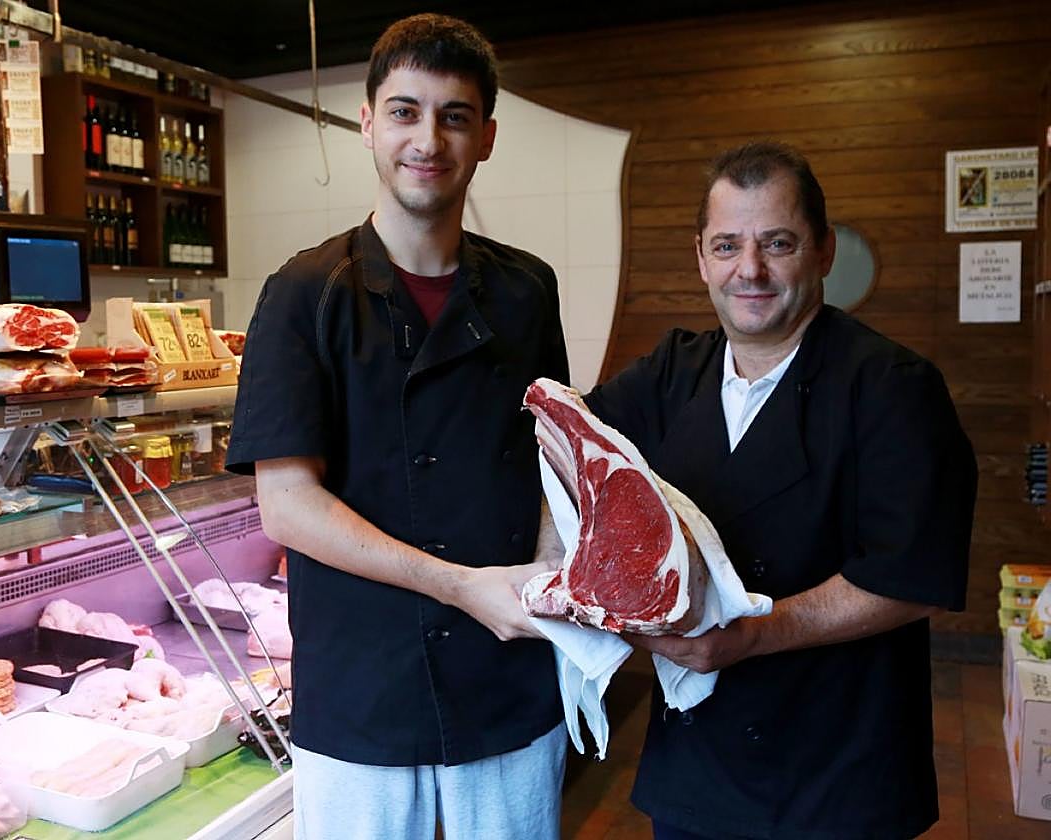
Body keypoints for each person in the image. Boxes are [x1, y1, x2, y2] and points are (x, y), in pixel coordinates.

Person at [225, 13, 570, 840]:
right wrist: (462, 585)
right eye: (407, 112)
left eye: (455, 116)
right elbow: (286, 505)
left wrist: (556, 571)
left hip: (507, 675)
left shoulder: (528, 289)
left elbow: (556, 457)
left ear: (486, 136)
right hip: (362, 688)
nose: (429, 138)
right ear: (368, 123)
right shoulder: (303, 292)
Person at [584, 141, 977, 839]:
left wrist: (757, 635)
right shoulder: (672, 372)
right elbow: (571, 451)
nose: (751, 270)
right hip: (699, 767)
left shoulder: (892, 387)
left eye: (778, 243)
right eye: (728, 245)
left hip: (837, 768)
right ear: (701, 257)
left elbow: (911, 576)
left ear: (823, 250)